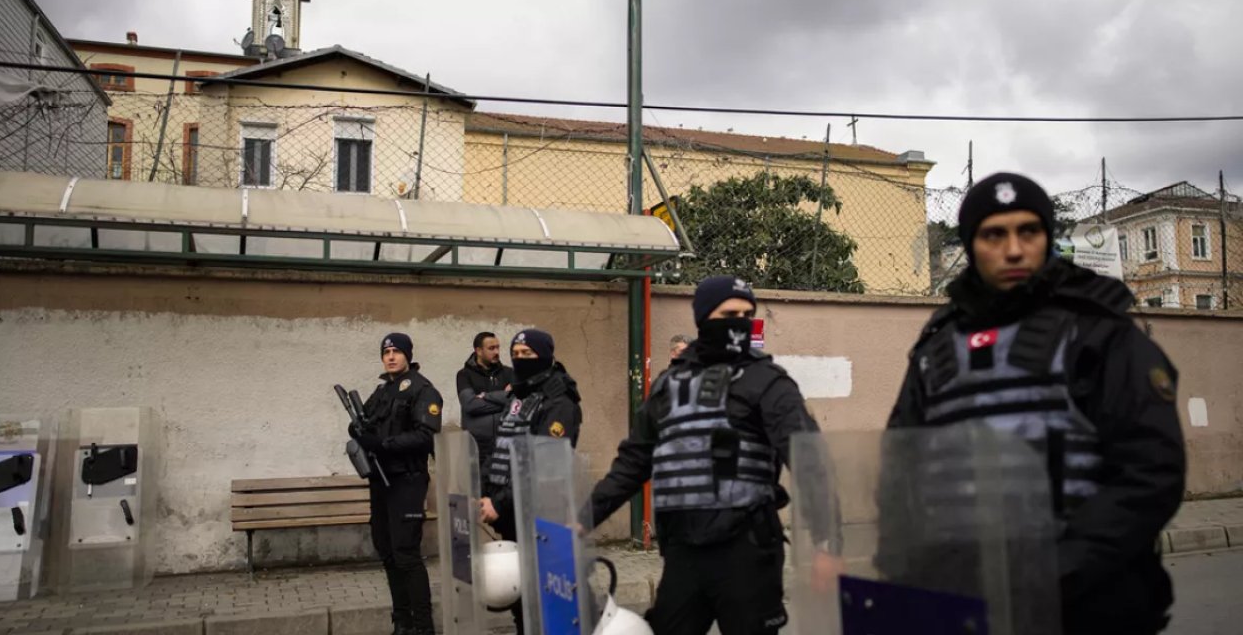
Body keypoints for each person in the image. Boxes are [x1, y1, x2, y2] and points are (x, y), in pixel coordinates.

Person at [886, 172, 1186, 635]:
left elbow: (1150, 471)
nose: (1013, 249)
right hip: (968, 602)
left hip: (1088, 604)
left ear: (1046, 237)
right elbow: (901, 470)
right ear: (970, 244)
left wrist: (1058, 570)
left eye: (1029, 231)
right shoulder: (937, 348)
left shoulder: (1098, 332)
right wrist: (908, 570)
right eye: (994, 234)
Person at [584, 276, 839, 635]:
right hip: (683, 552)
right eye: (729, 313)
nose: (739, 321)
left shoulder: (767, 381)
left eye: (746, 314)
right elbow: (633, 463)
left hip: (746, 551)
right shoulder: (667, 386)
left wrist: (827, 543)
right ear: (703, 317)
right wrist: (582, 519)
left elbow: (810, 461)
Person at [478, 328, 583, 635]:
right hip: (514, 513)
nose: (520, 359)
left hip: (544, 515)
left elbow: (543, 463)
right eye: (517, 354)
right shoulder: (519, 396)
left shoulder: (560, 401)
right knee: (523, 601)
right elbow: (502, 448)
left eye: (528, 354)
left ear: (546, 356)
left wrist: (499, 501)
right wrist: (483, 493)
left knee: (545, 600)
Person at [351, 332, 443, 635]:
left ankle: (423, 627)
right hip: (381, 481)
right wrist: (358, 429)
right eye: (386, 352)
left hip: (407, 480)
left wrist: (383, 443)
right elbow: (365, 420)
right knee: (387, 551)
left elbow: (425, 435)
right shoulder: (382, 391)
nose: (390, 356)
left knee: (406, 553)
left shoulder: (423, 390)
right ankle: (402, 623)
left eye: (396, 351)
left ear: (408, 355)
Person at [456, 331, 514, 473]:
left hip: (505, 445)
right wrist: (504, 397)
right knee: (478, 492)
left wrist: (486, 396)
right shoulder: (464, 375)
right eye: (491, 348)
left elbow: (517, 401)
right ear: (479, 351)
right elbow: (470, 405)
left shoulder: (510, 373)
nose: (496, 352)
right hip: (477, 448)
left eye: (498, 347)